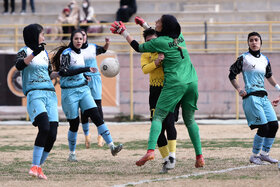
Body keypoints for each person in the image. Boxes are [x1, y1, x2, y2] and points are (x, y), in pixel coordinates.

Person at [110, 15, 205, 168]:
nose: (156, 23)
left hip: (175, 83)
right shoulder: (179, 37)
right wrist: (144, 25)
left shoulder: (160, 42)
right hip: (192, 81)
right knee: (190, 120)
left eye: (159, 21)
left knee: (158, 117)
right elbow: (161, 35)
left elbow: (137, 47)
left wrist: (123, 32)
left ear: (164, 26)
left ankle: (150, 151)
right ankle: (199, 156)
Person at [51, 29, 122, 162]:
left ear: (84, 40)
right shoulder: (67, 53)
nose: (78, 41)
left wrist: (84, 76)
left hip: (83, 90)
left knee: (96, 116)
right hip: (69, 92)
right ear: (72, 40)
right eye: (76, 39)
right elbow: (64, 72)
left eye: (80, 39)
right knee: (73, 125)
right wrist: (85, 70)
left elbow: (76, 70)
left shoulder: (80, 53)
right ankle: (72, 154)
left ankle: (112, 146)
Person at [15, 23, 59, 180]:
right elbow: (19, 65)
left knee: (53, 134)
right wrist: (34, 53)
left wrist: (61, 73)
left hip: (51, 95)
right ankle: (34, 166)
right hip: (35, 94)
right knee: (44, 128)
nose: (44, 37)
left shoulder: (44, 53)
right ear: (34, 35)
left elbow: (48, 73)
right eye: (42, 34)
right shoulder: (24, 51)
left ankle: (38, 167)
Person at [229, 32, 279, 165]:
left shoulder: (265, 59)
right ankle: (254, 155)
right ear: (248, 43)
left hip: (263, 97)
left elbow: (269, 75)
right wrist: (239, 89)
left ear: (260, 42)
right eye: (251, 40)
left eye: (256, 40)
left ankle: (264, 154)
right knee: (263, 127)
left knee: (274, 125)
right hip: (251, 97)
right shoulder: (244, 58)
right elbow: (232, 75)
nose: (254, 42)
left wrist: (278, 88)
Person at [140, 28, 179, 173]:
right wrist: (156, 62)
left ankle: (172, 156)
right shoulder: (146, 54)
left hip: (170, 89)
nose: (152, 43)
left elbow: (177, 40)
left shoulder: (166, 48)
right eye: (148, 42)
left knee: (169, 123)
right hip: (155, 91)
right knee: (157, 129)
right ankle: (166, 159)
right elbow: (144, 69)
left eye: (154, 40)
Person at [80, 29, 109, 148]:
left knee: (98, 106)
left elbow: (103, 50)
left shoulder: (92, 47)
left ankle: (100, 136)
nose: (81, 38)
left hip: (95, 78)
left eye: (83, 35)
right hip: (82, 79)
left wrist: (107, 43)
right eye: (79, 36)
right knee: (84, 108)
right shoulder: (74, 51)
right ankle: (87, 136)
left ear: (86, 37)